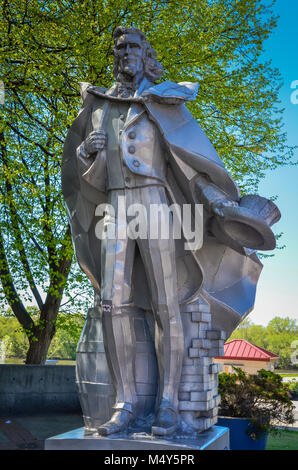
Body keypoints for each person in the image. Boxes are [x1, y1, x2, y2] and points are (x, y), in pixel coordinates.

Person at [62, 26, 242, 436]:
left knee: (168, 302)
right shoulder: (99, 105)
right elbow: (87, 181)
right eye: (120, 47)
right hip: (114, 206)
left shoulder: (167, 100)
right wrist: (85, 155)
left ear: (147, 54)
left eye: (134, 46)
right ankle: (124, 406)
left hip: (156, 203)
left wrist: (218, 202)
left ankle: (168, 404)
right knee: (112, 303)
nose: (126, 53)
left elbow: (192, 163)